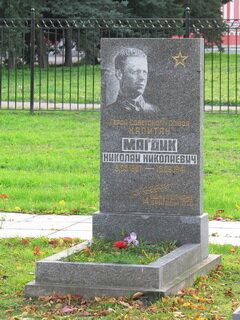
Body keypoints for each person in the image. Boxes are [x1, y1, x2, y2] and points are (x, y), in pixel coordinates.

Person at [105, 47, 158, 115]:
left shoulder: (155, 111)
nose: (142, 78)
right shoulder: (108, 113)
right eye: (135, 72)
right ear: (119, 74)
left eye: (144, 72)